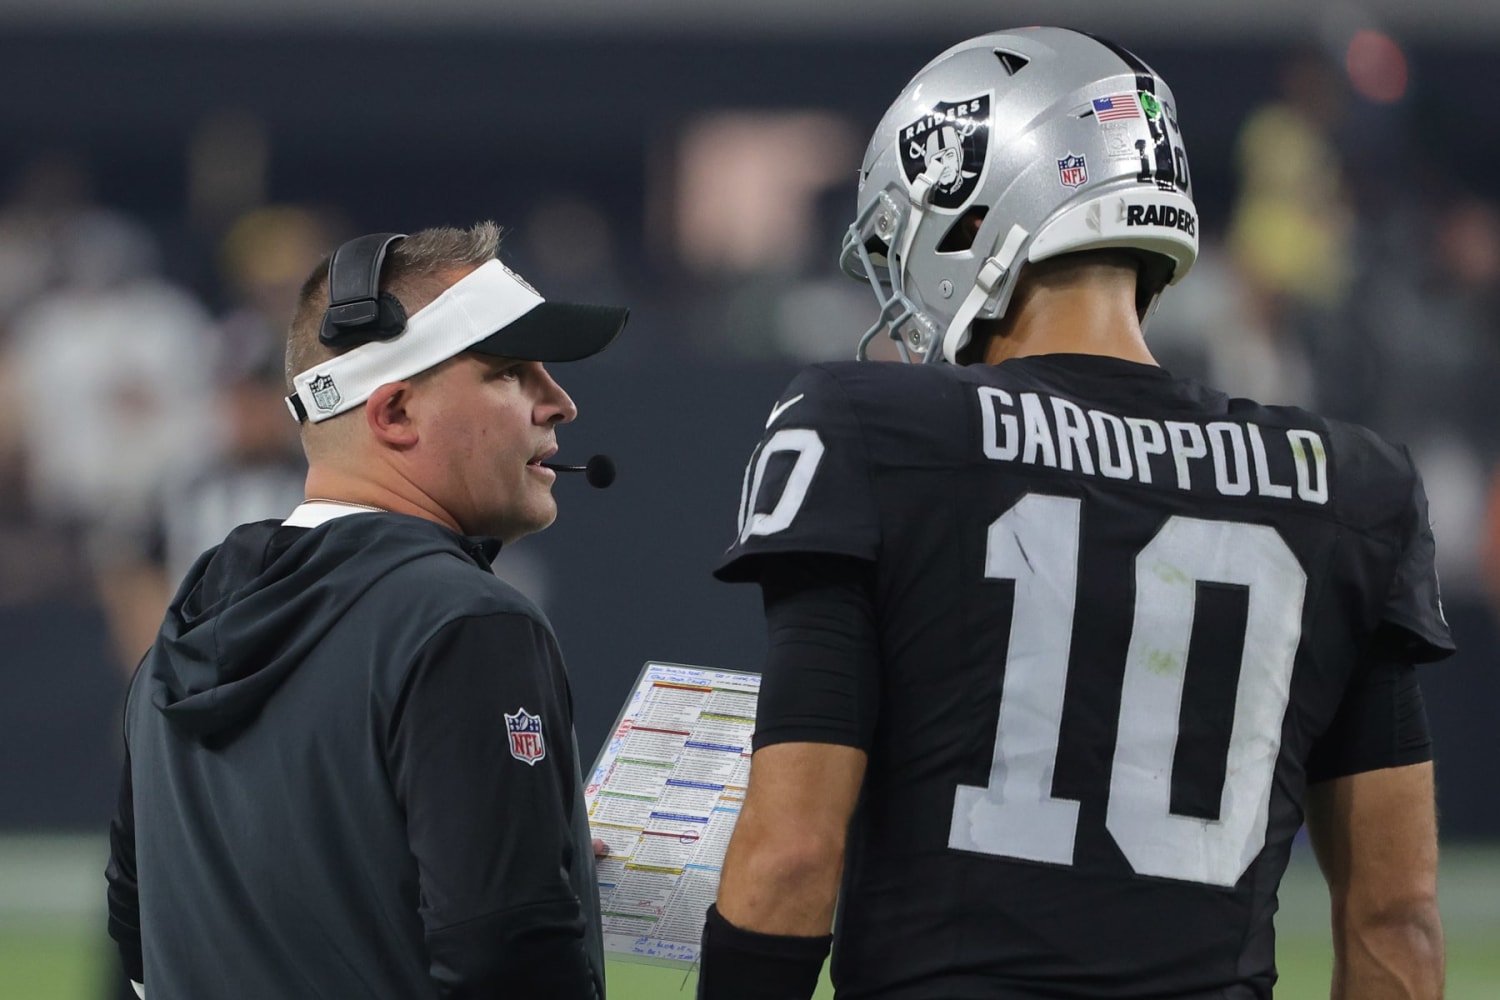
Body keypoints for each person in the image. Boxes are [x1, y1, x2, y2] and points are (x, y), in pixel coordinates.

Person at [700, 27, 1451, 1000]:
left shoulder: (870, 427)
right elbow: (1395, 914)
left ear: (975, 209)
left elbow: (795, 853)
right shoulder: (1347, 483)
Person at [105, 222, 628, 999]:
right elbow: (506, 959)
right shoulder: (466, 623)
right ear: (393, 415)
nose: (561, 404)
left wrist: (506, 842)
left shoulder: (183, 633)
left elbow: (141, 942)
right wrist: (516, 884)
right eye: (511, 372)